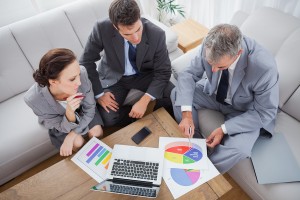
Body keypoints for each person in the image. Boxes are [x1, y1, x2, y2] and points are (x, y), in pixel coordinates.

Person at [171, 24, 279, 173]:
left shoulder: (264, 68)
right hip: (213, 95)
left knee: (240, 149)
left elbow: (265, 112)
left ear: (238, 53)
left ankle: (203, 172)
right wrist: (187, 115)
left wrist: (224, 129)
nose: (214, 70)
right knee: (178, 93)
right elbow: (188, 74)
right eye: (210, 64)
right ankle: (196, 146)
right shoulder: (209, 44)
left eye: (220, 67)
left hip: (245, 111)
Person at [80, 0, 174, 127]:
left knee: (173, 94)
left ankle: (158, 119)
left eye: (138, 29)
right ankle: (133, 118)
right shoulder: (102, 28)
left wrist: (145, 100)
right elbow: (86, 61)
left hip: (144, 75)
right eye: (127, 34)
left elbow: (164, 71)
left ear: (140, 17)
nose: (136, 38)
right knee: (108, 118)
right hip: (114, 77)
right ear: (115, 27)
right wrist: (99, 94)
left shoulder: (157, 34)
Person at [24, 48, 104, 157]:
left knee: (96, 132)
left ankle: (100, 159)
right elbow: (62, 127)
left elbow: (90, 108)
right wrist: (69, 111)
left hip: (84, 112)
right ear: (53, 82)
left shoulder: (82, 72)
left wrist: (72, 135)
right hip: (61, 123)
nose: (79, 82)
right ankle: (89, 162)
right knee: (78, 143)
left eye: (78, 75)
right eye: (72, 79)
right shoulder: (33, 99)